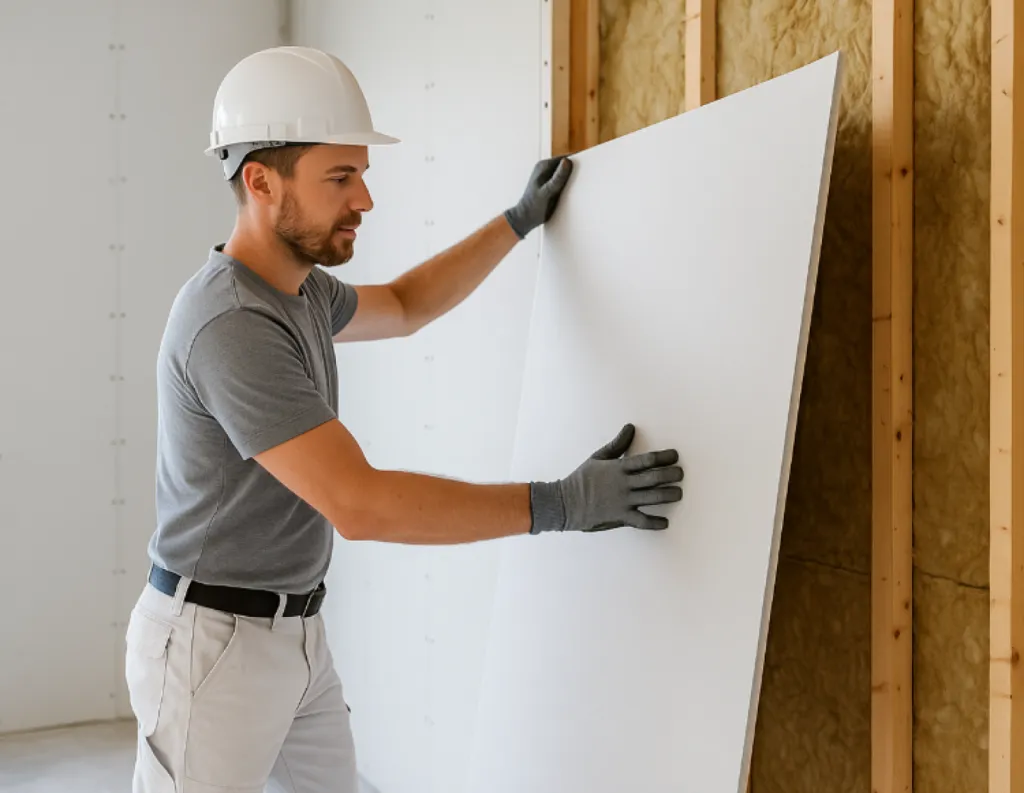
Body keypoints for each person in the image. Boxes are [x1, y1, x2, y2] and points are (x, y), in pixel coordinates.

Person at [124, 45, 683, 793]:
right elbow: (359, 502)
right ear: (260, 180)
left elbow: (408, 304)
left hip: (294, 633)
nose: (364, 198)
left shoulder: (303, 293)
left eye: (361, 173)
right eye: (340, 176)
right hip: (211, 648)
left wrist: (516, 223)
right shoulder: (229, 324)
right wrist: (562, 504)